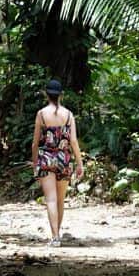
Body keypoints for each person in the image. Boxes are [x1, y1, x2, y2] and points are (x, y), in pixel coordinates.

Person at [31, 79, 84, 247]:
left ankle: (55, 237)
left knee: (51, 200)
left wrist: (35, 163)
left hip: (46, 158)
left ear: (46, 94)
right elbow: (73, 141)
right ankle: (57, 234)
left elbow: (35, 142)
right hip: (64, 159)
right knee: (60, 200)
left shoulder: (41, 114)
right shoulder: (69, 115)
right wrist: (80, 163)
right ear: (61, 95)